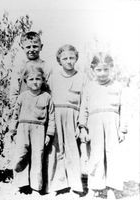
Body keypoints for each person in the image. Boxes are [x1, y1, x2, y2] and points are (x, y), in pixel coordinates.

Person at [78, 52, 128, 199]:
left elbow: (123, 109)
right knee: (96, 155)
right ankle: (96, 187)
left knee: (112, 155)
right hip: (94, 124)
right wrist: (82, 128)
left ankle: (112, 187)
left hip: (112, 123)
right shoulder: (89, 87)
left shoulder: (118, 87)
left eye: (106, 69)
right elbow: (84, 109)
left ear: (111, 68)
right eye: (99, 70)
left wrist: (122, 130)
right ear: (93, 69)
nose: (102, 73)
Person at [9, 62, 55, 195]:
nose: (35, 82)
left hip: (39, 130)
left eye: (38, 79)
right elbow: (15, 114)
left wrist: (49, 134)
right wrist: (13, 130)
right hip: (22, 129)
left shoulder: (47, 98)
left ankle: (36, 187)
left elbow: (51, 118)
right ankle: (19, 185)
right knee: (20, 156)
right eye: (31, 79)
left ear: (43, 80)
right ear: (26, 81)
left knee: (37, 158)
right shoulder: (22, 97)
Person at [46, 45, 85, 197]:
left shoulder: (82, 77)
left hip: (72, 116)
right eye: (65, 58)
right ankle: (57, 184)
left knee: (72, 150)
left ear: (76, 58)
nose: (68, 61)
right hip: (55, 115)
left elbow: (84, 103)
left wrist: (81, 125)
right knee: (55, 149)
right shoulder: (53, 77)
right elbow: (47, 99)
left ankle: (75, 186)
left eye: (71, 58)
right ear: (59, 61)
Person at [9, 31, 52, 108]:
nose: (31, 49)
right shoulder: (19, 67)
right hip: (24, 108)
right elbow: (14, 90)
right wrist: (15, 108)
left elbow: (50, 90)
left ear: (41, 47)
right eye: (28, 47)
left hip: (41, 108)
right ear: (23, 48)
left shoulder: (46, 67)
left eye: (35, 46)